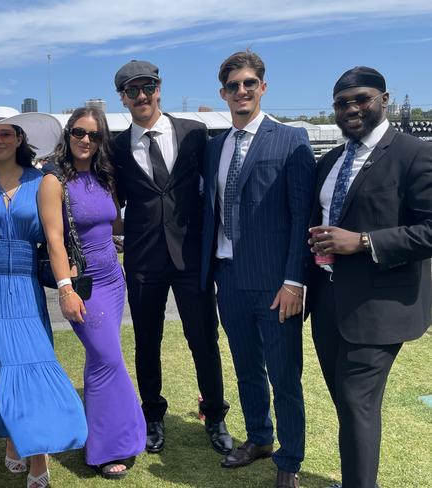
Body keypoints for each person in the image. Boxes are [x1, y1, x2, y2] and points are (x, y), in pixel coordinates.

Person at [307, 66, 432, 488]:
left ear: (384, 99)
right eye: (342, 103)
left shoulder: (413, 153)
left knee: (358, 403)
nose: (351, 109)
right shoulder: (328, 162)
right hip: (327, 305)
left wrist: (361, 242)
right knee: (347, 404)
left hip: (379, 307)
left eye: (361, 99)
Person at [0, 106, 88, 488]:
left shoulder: (44, 181)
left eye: (5, 134)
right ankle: (14, 436)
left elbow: (56, 241)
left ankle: (39, 457)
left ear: (19, 138)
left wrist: (66, 289)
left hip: (24, 288)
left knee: (31, 368)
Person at [200, 50, 315, 488]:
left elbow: (301, 214)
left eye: (249, 83)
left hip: (275, 282)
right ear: (223, 93)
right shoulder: (215, 149)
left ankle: (290, 459)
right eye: (233, 86)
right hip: (228, 279)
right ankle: (259, 438)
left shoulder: (291, 140)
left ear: (262, 87)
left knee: (285, 374)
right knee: (247, 367)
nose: (241, 91)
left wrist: (294, 280)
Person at [111, 60, 231, 455]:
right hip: (144, 260)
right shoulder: (115, 147)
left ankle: (215, 415)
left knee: (204, 339)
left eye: (148, 87)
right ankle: (153, 416)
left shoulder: (194, 133)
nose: (142, 96)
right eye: (133, 91)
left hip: (191, 257)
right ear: (123, 98)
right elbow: (113, 201)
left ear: (159, 89)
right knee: (147, 341)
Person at [38, 107, 146, 480]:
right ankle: (111, 446)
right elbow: (54, 241)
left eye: (95, 135)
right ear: (68, 134)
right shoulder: (54, 180)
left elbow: (111, 222)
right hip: (82, 282)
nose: (86, 140)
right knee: (107, 359)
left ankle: (112, 434)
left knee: (102, 360)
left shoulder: (103, 176)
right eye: (79, 132)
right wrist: (66, 290)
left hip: (113, 278)